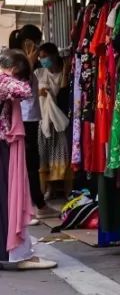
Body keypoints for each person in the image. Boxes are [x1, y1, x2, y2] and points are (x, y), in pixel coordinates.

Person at [0, 49, 55, 269]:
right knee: (7, 198)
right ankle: (13, 254)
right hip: (2, 146)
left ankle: (9, 253)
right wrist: (11, 76)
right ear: (14, 70)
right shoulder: (4, 82)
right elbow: (24, 91)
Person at [14, 25, 49, 219]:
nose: (38, 47)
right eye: (36, 42)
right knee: (28, 162)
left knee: (31, 161)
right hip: (24, 118)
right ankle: (33, 205)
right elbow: (21, 89)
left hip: (30, 117)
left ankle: (37, 203)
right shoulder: (20, 61)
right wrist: (29, 60)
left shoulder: (25, 60)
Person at [34, 43, 69, 199]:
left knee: (61, 154)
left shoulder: (64, 73)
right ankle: (48, 189)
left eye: (44, 56)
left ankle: (66, 189)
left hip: (60, 121)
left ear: (54, 55)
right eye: (40, 57)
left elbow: (64, 96)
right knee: (44, 155)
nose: (42, 60)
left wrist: (66, 74)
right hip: (44, 121)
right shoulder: (39, 73)